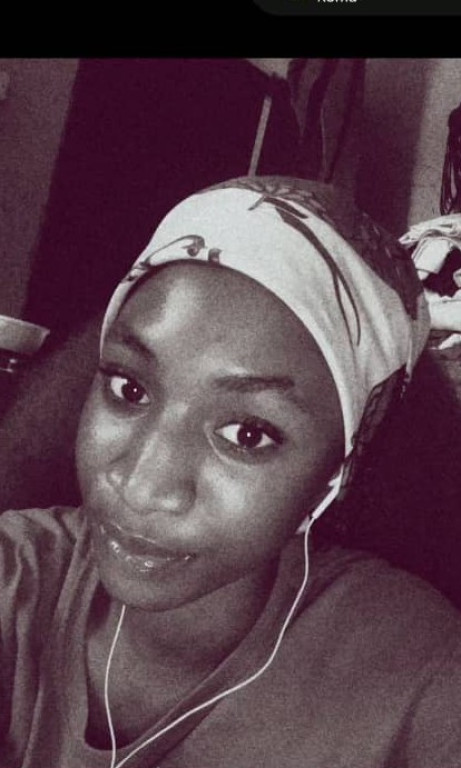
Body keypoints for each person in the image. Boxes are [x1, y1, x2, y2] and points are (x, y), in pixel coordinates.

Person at [2, 176, 461, 768]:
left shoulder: (421, 679)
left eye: (247, 434)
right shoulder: (16, 578)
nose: (144, 486)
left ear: (337, 468)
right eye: (129, 388)